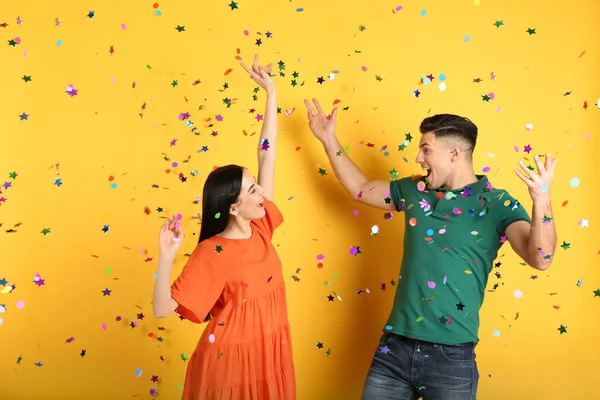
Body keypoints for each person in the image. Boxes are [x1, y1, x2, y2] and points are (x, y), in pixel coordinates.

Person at [303, 99, 558, 400]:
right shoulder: (414, 189)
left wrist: (541, 201)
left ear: (454, 153)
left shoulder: (496, 203)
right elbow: (360, 188)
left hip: (451, 357)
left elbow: (540, 259)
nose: (418, 158)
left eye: (426, 149)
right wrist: (327, 138)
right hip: (394, 347)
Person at [152, 55, 296, 400]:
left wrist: (271, 93)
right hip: (227, 368)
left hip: (269, 357)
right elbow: (161, 310)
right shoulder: (212, 252)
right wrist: (166, 256)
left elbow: (267, 156)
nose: (262, 191)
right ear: (233, 207)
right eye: (252, 189)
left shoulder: (260, 226)